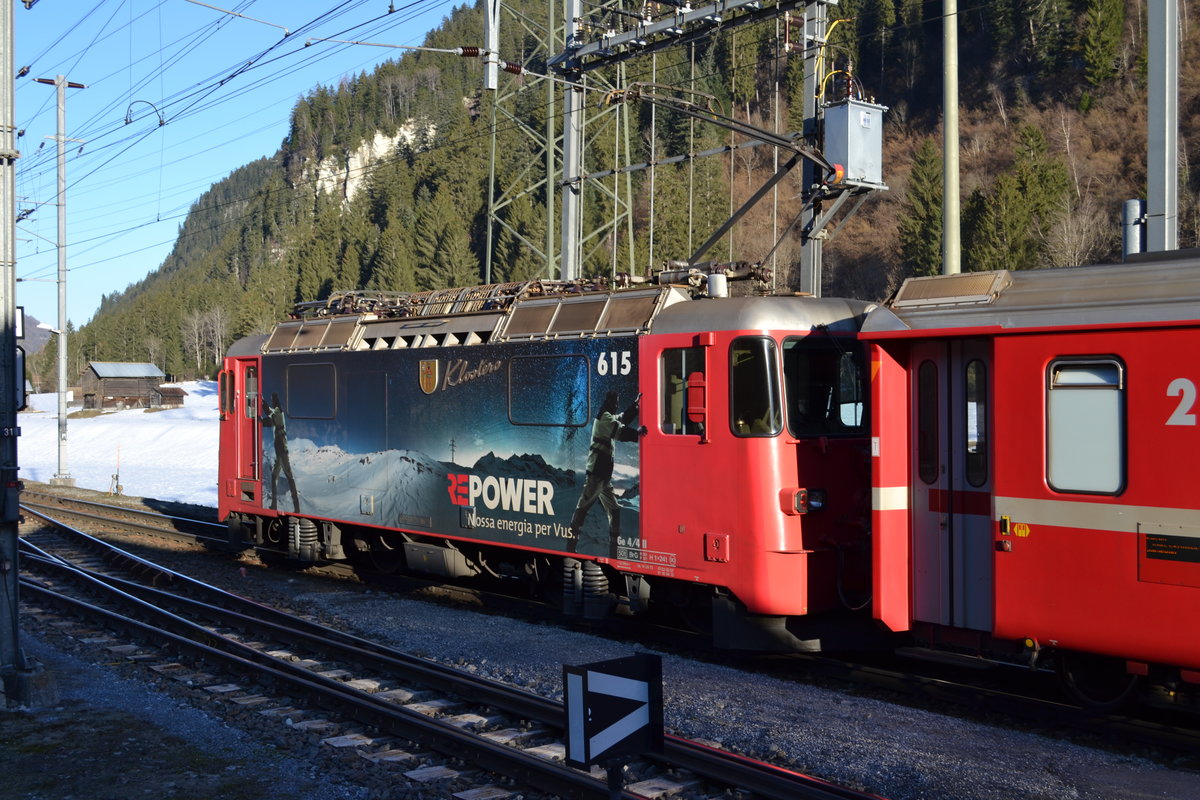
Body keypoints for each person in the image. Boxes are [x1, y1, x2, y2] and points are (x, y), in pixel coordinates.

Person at [569, 390, 640, 556]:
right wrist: (639, 434)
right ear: (608, 402)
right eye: (614, 402)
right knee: (583, 508)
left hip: (604, 477)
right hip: (596, 474)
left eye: (617, 402)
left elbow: (623, 419)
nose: (616, 405)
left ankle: (614, 551)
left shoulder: (609, 416)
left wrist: (635, 406)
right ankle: (571, 547)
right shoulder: (604, 418)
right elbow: (621, 432)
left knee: (614, 510)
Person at [262, 392, 300, 513]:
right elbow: (269, 413)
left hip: (283, 452)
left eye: (273, 400)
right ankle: (274, 505)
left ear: (276, 402)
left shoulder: (279, 414)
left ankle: (297, 508)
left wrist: (260, 419)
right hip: (279, 452)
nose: (272, 402)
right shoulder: (276, 412)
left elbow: (269, 420)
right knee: (274, 477)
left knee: (289, 478)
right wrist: (263, 403)